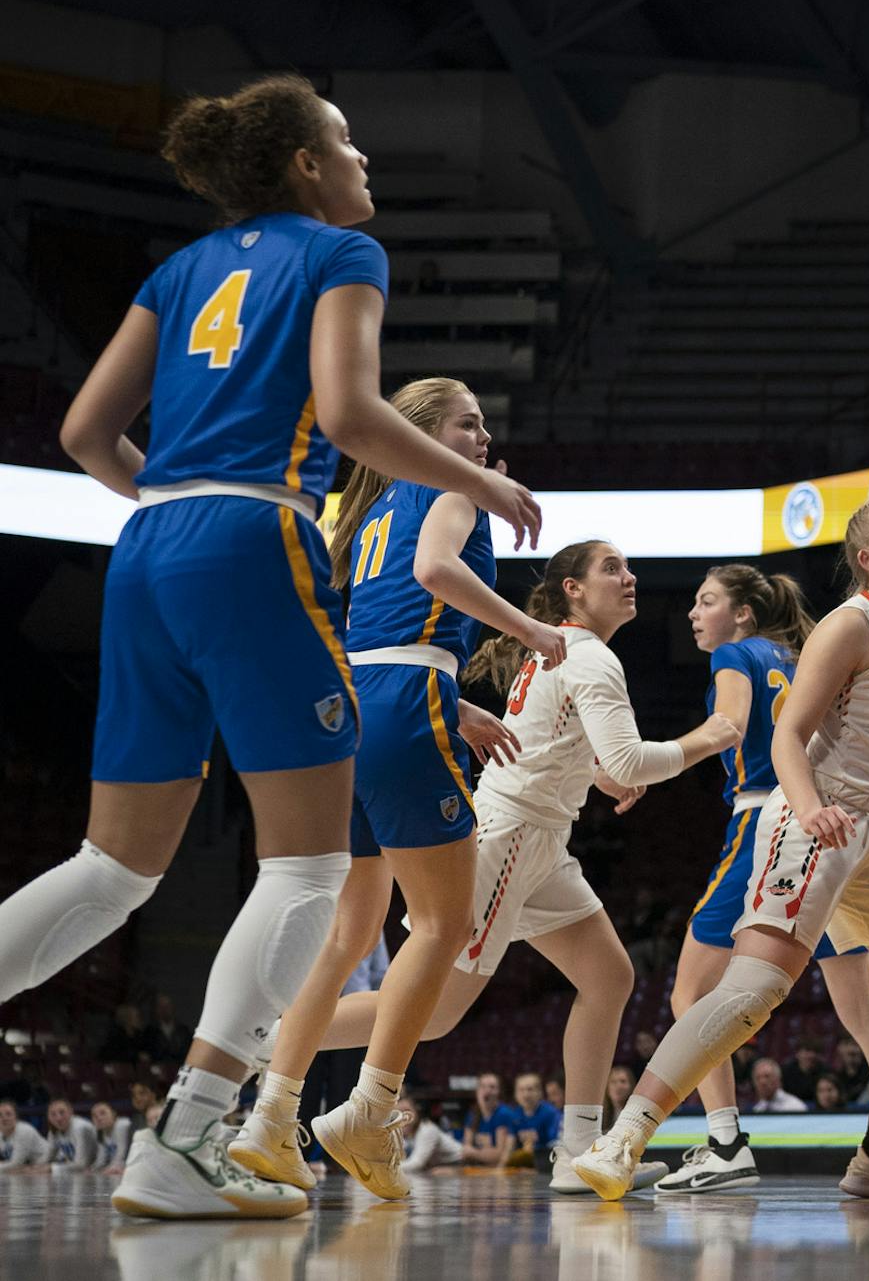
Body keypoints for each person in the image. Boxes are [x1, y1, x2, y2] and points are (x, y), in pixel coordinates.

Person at [0, 74, 543, 1222]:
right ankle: (187, 1142)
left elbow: (85, 432)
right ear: (304, 164)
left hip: (147, 547)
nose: (363, 162)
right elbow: (347, 416)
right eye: (347, 143)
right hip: (254, 540)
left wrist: (181, 509)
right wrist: (480, 479)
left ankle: (213, 1129)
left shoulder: (179, 269)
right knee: (306, 869)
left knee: (113, 868)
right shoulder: (342, 254)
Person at [572, 496, 869, 1202]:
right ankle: (624, 1138)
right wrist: (812, 805)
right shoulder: (849, 625)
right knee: (751, 990)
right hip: (816, 816)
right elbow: (787, 736)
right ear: (866, 557)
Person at [305, 539, 736, 1195]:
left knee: (609, 977)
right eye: (612, 568)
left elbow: (556, 748)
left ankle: (578, 1150)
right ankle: (267, 1044)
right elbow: (628, 761)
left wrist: (595, 772)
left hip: (538, 841)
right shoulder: (590, 655)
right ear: (572, 589)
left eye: (628, 567)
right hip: (510, 841)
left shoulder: (558, 651)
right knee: (437, 1014)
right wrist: (708, 737)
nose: (630, 576)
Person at [229, 377, 566, 1201]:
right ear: (422, 432)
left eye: (484, 425)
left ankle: (271, 1115)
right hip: (406, 704)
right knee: (445, 922)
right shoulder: (452, 489)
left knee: (348, 936)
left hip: (352, 709)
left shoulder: (373, 509)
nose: (483, 439)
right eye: (467, 423)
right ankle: (369, 1108)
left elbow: (380, 629)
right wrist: (528, 627)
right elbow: (435, 569)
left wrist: (461, 703)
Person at [662, 563, 869, 1193]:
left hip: (770, 821)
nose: (694, 613)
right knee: (863, 1009)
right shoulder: (803, 653)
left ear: (742, 614)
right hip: (832, 827)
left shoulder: (735, 654)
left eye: (706, 601)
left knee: (691, 993)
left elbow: (730, 726)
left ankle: (725, 1143)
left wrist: (649, 763)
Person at [0, 1101, 51, 1171]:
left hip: (50, 1163)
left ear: (16, 1117)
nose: (4, 1118)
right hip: (31, 1168)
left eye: (8, 1114)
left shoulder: (24, 1131)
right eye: (0, 1115)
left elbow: (16, 1163)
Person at [88, 1101, 132, 1175]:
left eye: (103, 1113)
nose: (99, 1118)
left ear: (113, 1114)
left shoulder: (122, 1125)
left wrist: (109, 1168)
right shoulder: (100, 1131)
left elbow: (121, 1155)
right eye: (94, 1116)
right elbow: (101, 1158)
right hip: (120, 1167)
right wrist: (92, 1169)